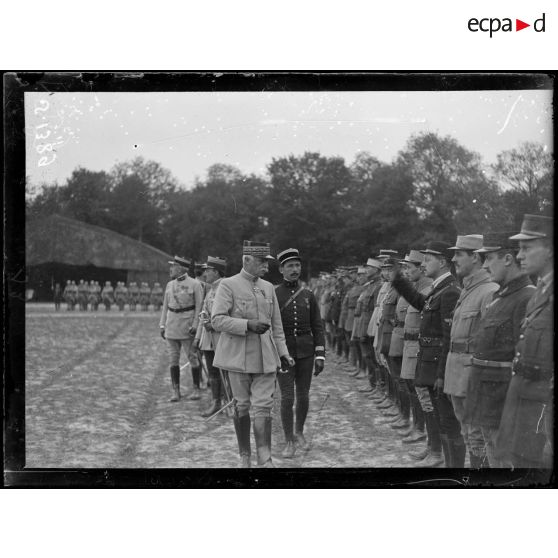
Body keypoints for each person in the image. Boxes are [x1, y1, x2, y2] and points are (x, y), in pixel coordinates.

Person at [211, 241, 294, 468]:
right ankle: (245, 456)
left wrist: (284, 353)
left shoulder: (268, 287)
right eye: (261, 262)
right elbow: (217, 319)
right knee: (242, 405)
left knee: (263, 406)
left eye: (267, 263)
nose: (266, 267)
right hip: (237, 358)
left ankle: (265, 459)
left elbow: (277, 326)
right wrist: (247, 324)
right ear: (246, 260)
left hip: (266, 357)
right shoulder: (228, 285)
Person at [462, 232, 535, 467]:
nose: (484, 265)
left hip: (503, 401)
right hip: (486, 396)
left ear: (507, 259)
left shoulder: (527, 297)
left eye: (489, 258)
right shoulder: (499, 297)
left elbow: (523, 359)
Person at [392, 241, 461, 467]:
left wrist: (441, 373)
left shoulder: (449, 290)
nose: (423, 264)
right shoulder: (440, 288)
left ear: (442, 262)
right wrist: (399, 281)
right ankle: (434, 451)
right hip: (429, 360)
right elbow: (422, 304)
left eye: (428, 259)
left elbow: (448, 337)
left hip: (436, 362)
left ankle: (438, 454)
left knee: (443, 416)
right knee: (434, 410)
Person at [496, 214, 553, 468]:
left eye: (526, 248)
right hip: (525, 404)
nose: (519, 256)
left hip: (542, 415)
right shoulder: (540, 292)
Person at [445, 235, 499, 467]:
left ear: (475, 257)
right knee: (469, 434)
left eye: (459, 254)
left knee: (477, 437)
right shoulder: (468, 288)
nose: (454, 259)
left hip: (472, 374)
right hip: (457, 370)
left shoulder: (489, 290)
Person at [274, 248, 325, 458]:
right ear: (281, 269)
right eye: (290, 266)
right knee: (287, 398)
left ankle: (300, 432)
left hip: (306, 352)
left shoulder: (308, 295)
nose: (295, 270)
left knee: (303, 395)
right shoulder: (274, 294)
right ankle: (288, 441)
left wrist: (320, 354)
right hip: (283, 353)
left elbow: (317, 325)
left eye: (297, 265)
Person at [398, 251, 432, 446]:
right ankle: (417, 427)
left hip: (419, 347)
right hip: (410, 344)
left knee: (422, 393)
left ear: (421, 268)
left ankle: (421, 430)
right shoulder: (418, 288)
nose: (407, 271)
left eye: (410, 268)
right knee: (412, 389)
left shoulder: (427, 290)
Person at [160, 256, 204, 402]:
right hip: (171, 326)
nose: (171, 269)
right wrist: (162, 324)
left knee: (193, 358)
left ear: (181, 268)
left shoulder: (195, 284)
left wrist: (196, 326)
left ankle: (196, 389)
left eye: (173, 266)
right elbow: (165, 307)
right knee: (173, 360)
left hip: (187, 327)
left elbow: (199, 307)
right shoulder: (169, 285)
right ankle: (175, 391)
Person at [193, 256, 229, 418]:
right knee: (213, 373)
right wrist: (197, 339)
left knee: (227, 372)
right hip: (208, 340)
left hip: (223, 339)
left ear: (216, 271)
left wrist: (213, 325)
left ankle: (231, 403)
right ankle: (216, 402)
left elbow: (230, 316)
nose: (205, 272)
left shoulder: (227, 289)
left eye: (208, 270)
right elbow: (203, 315)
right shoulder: (210, 290)